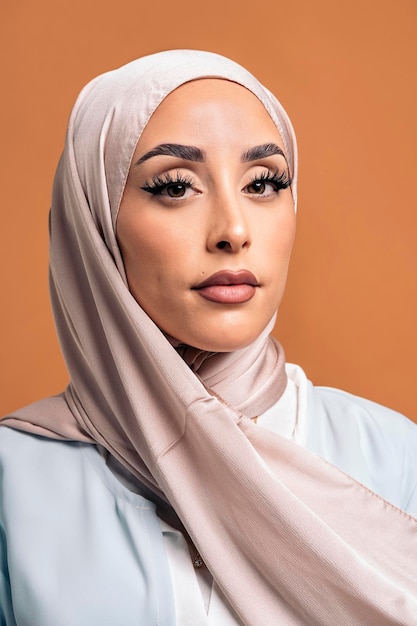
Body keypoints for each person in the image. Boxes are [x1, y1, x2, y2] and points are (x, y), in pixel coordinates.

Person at [1, 50, 417, 626]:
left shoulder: (395, 460)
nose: (234, 230)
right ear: (94, 221)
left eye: (264, 183)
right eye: (175, 186)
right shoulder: (12, 481)